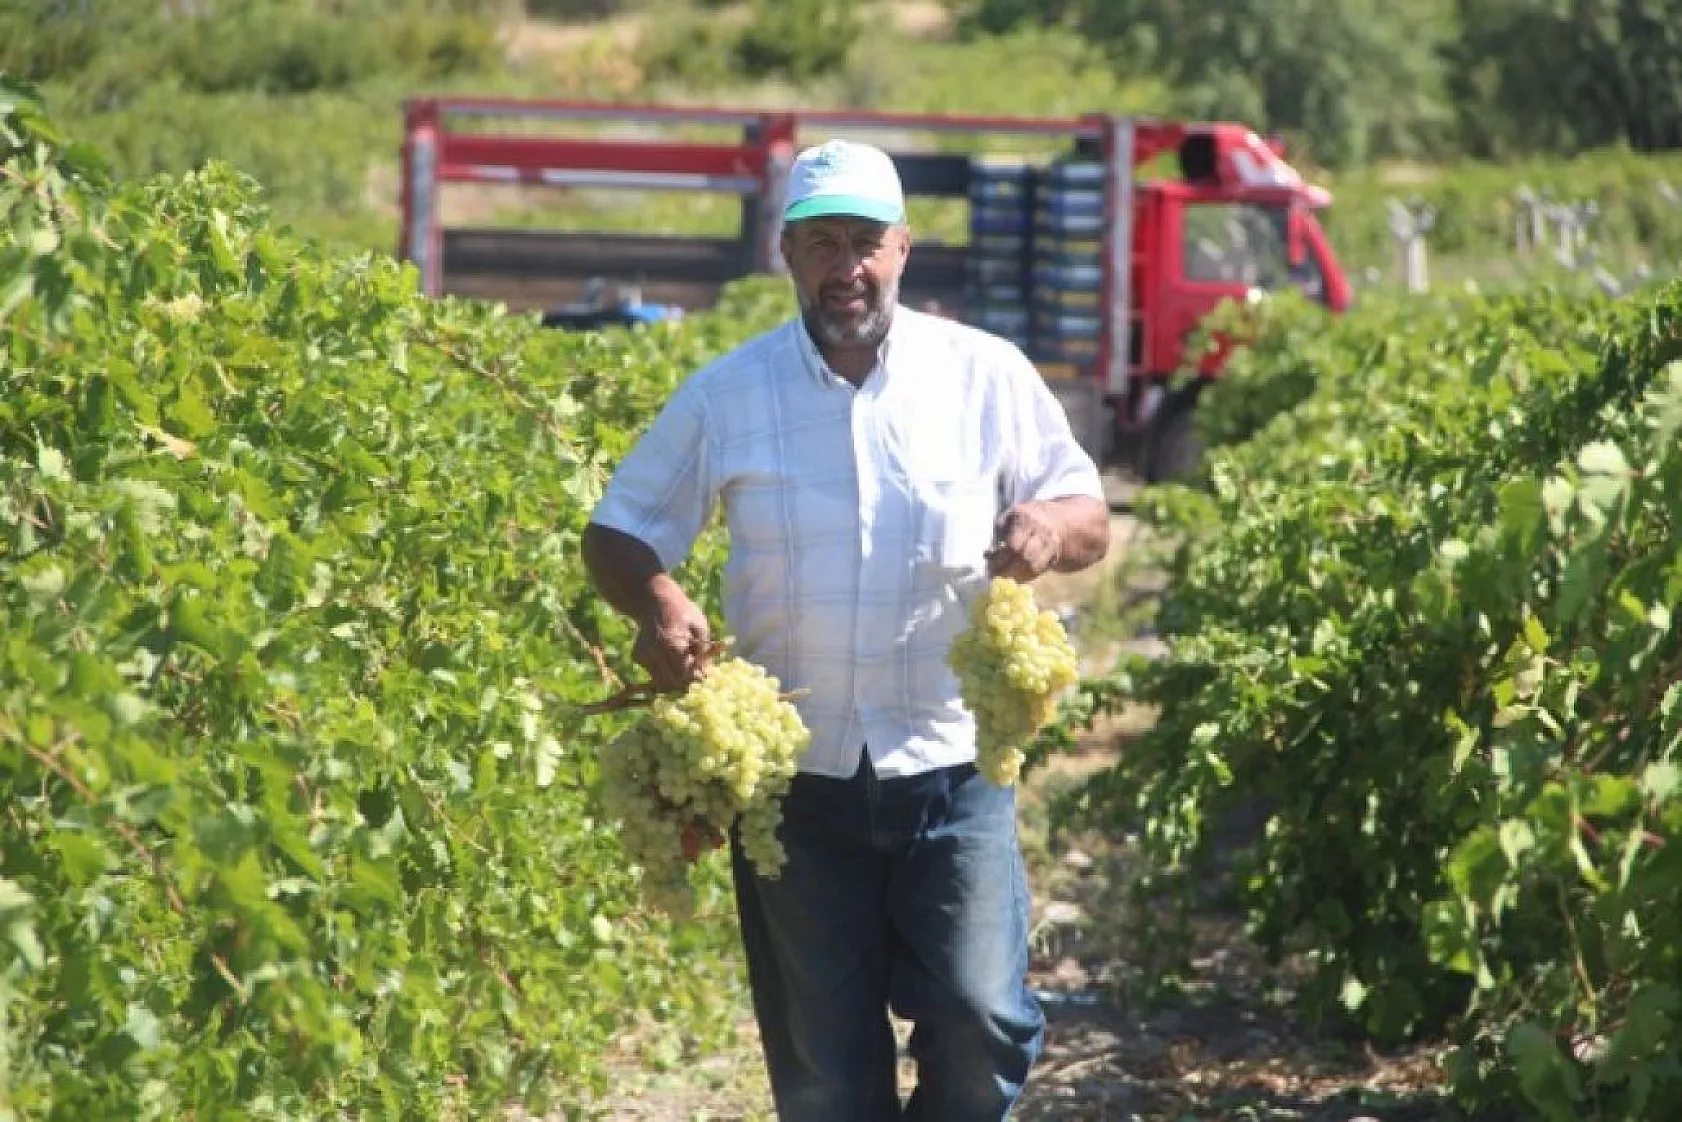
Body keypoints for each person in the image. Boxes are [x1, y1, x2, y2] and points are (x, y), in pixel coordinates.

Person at [580, 137, 1111, 1121]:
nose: (846, 268)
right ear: (784, 254)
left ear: (904, 247)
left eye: (864, 242)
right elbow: (617, 530)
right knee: (825, 1078)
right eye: (821, 243)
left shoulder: (983, 376)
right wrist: (657, 602)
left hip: (952, 769)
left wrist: (1045, 527)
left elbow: (1087, 513)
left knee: (980, 1017)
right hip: (798, 788)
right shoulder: (726, 397)